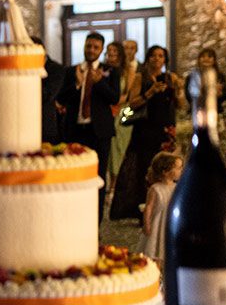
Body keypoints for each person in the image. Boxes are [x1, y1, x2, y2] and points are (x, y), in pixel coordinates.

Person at [109, 45, 184, 221]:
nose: (157, 59)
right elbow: (132, 104)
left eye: (161, 56)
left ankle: (166, 207)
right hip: (145, 128)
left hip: (165, 128)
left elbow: (180, 105)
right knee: (144, 167)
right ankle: (145, 209)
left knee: (167, 168)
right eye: (153, 55)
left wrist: (179, 91)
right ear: (148, 58)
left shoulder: (170, 78)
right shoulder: (139, 77)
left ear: (165, 60)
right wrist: (150, 92)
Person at [56, 32, 120, 219]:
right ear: (84, 46)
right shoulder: (71, 71)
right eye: (88, 46)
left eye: (95, 47)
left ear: (101, 50)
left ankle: (96, 222)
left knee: (98, 178)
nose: (91, 50)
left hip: (99, 132)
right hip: (75, 131)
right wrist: (77, 83)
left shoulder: (110, 71)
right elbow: (60, 98)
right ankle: (74, 217)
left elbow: (114, 98)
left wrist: (99, 83)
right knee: (74, 176)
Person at [137, 151, 183, 266]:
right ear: (165, 172)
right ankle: (156, 273)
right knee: (156, 250)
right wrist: (146, 223)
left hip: (171, 224)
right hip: (158, 225)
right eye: (177, 168)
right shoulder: (155, 189)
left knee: (169, 251)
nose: (181, 171)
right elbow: (149, 207)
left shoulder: (177, 187)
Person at [105, 41, 133, 182]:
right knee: (109, 147)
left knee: (120, 146)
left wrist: (116, 102)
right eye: (109, 51)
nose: (111, 54)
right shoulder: (104, 70)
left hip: (124, 110)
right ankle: (109, 179)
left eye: (115, 51)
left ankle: (117, 181)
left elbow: (129, 95)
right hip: (108, 109)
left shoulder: (128, 71)